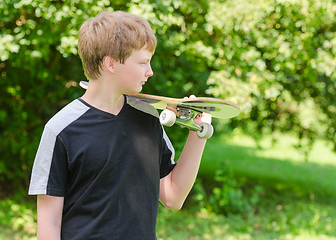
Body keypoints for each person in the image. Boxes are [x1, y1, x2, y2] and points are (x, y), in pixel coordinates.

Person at [28, 10, 210, 240]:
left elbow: (173, 197)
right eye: (143, 62)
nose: (150, 72)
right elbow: (48, 226)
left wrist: (198, 133)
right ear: (111, 63)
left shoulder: (149, 118)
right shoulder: (61, 130)